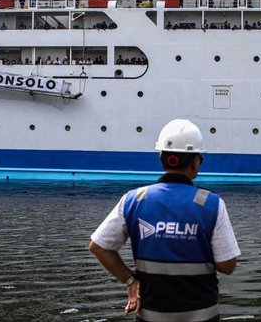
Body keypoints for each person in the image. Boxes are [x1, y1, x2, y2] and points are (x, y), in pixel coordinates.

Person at [89, 119, 240, 321]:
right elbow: (227, 266)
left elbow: (98, 247)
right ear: (196, 162)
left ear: (161, 158)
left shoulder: (134, 200)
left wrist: (131, 281)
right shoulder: (211, 204)